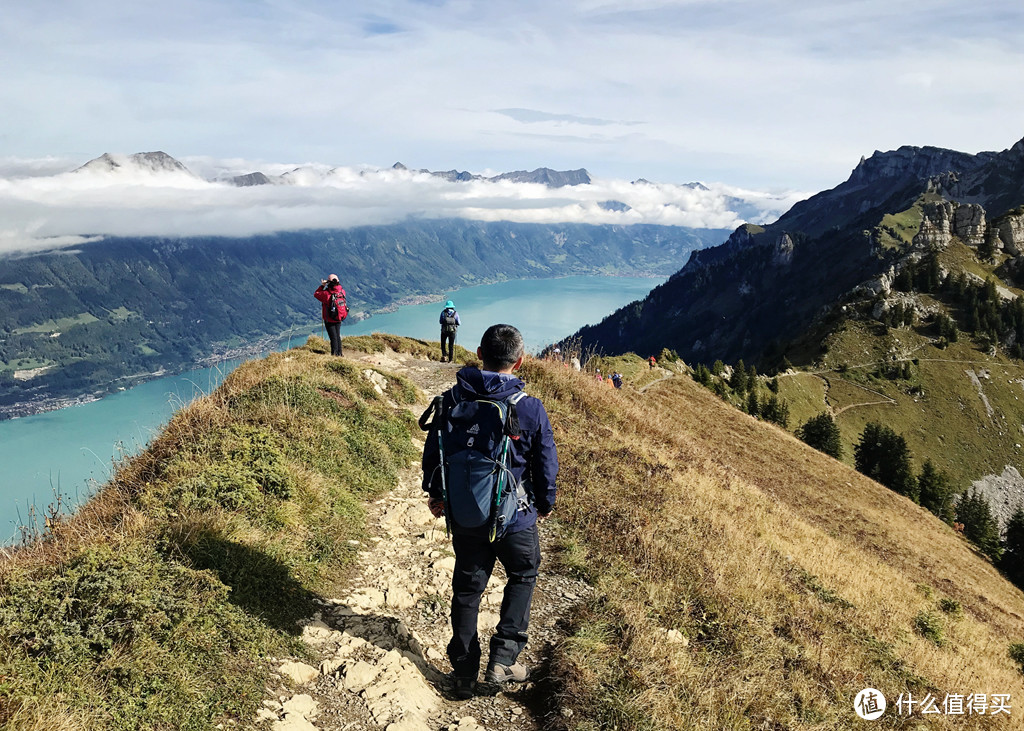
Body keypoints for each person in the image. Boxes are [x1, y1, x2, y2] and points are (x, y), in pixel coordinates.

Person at [421, 324, 558, 699]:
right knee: (523, 573)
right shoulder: (527, 407)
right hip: (514, 519)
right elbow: (546, 462)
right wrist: (544, 504)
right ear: (520, 360)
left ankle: (463, 672)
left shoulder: (451, 399)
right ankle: (504, 657)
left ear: (479, 354)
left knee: (467, 589)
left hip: (465, 516)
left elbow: (435, 454)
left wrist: (436, 496)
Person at [314, 274, 347, 356]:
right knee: (337, 336)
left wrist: (322, 285)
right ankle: (340, 354)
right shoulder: (342, 291)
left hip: (329, 319)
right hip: (338, 317)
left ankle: (335, 355)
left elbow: (316, 294)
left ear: (329, 282)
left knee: (333, 337)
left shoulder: (326, 294)